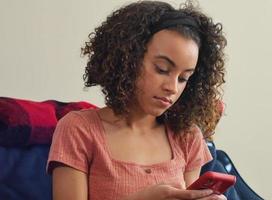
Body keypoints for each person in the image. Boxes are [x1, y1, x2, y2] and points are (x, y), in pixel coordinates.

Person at [47, 0, 227, 199]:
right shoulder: (78, 129)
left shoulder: (187, 137)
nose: (172, 87)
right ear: (128, 59)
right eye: (162, 69)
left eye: (184, 78)